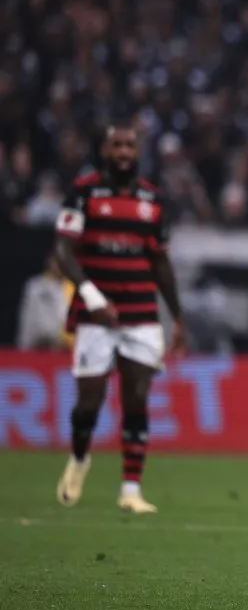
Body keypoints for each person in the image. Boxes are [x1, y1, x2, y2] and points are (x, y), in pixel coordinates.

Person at [53, 124, 186, 514]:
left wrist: (177, 315)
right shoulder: (84, 192)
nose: (124, 152)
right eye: (117, 146)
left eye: (130, 145)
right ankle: (79, 459)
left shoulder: (153, 200)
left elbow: (161, 262)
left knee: (137, 399)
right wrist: (92, 296)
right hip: (96, 316)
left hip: (141, 313)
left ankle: (131, 490)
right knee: (88, 405)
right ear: (105, 150)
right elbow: (64, 251)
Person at [16, 252, 74, 351]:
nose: (58, 266)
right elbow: (27, 316)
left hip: (66, 346)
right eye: (56, 262)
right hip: (39, 343)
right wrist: (23, 344)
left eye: (62, 262)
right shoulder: (36, 286)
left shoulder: (73, 287)